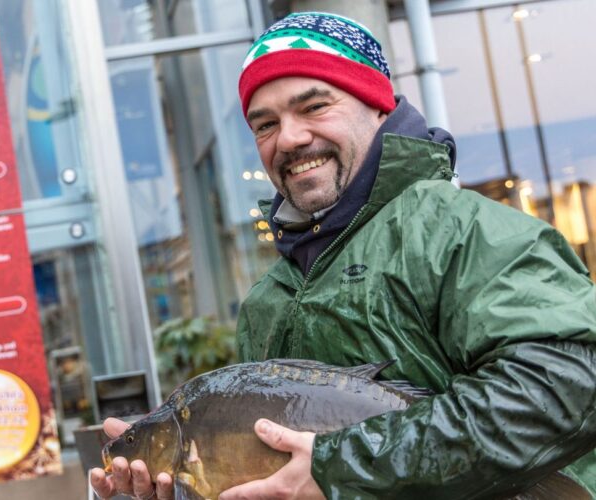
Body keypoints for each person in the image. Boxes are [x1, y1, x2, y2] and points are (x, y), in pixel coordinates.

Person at [90, 11, 596, 500]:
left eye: (314, 106)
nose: (288, 138)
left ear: (376, 104)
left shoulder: (464, 230)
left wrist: (341, 469)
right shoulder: (268, 301)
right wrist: (189, 480)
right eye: (264, 125)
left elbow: (567, 387)